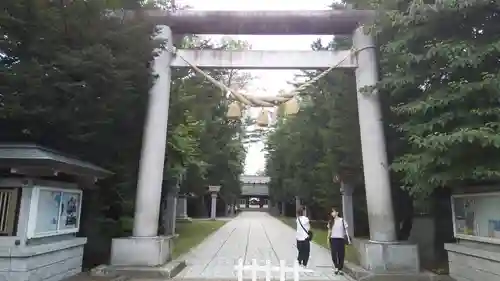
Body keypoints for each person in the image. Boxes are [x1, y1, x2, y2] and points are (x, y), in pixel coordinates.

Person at [327, 207, 350, 275]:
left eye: (333, 211)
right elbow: (329, 231)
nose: (332, 213)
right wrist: (327, 239)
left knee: (341, 254)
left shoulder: (342, 220)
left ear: (337, 213)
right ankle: (336, 267)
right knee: (334, 254)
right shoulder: (331, 221)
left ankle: (340, 269)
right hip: (333, 239)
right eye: (332, 212)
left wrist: (348, 238)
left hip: (341, 239)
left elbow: (346, 230)